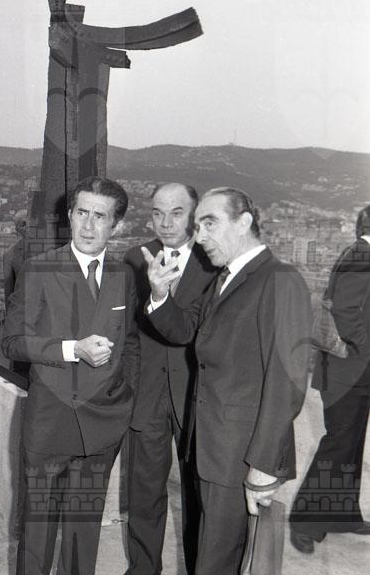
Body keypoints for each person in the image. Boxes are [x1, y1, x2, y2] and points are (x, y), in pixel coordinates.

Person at [142, 186, 312, 575]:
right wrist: (159, 294)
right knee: (206, 557)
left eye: (209, 223)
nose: (199, 236)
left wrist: (264, 464)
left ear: (244, 222)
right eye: (197, 225)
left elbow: (286, 384)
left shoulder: (279, 279)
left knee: (219, 561)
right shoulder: (225, 279)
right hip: (208, 451)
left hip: (240, 456)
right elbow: (184, 329)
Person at [1, 176, 140, 575]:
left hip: (103, 424)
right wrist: (70, 349)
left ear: (116, 225)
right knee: (37, 533)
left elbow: (131, 344)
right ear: (69, 215)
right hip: (49, 420)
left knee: (84, 533)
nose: (88, 225)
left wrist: (125, 397)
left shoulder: (123, 275)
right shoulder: (39, 269)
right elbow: (12, 342)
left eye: (100, 216)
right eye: (82, 213)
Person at [123, 183, 217, 575]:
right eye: (158, 213)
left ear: (195, 216)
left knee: (198, 498)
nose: (165, 223)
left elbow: (195, 331)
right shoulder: (135, 258)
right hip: (147, 396)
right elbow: (127, 332)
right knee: (143, 494)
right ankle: (142, 569)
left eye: (176, 213)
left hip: (195, 396)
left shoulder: (214, 263)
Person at [289, 206, 370, 553]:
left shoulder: (360, 253)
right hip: (348, 370)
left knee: (351, 443)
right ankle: (304, 522)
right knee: (338, 443)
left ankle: (342, 514)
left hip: (352, 369)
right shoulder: (362, 257)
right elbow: (347, 313)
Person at [3, 209, 28, 303]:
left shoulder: (50, 249)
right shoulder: (10, 255)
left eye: (31, 222)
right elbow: (8, 293)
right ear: (17, 229)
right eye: (23, 224)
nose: (28, 227)